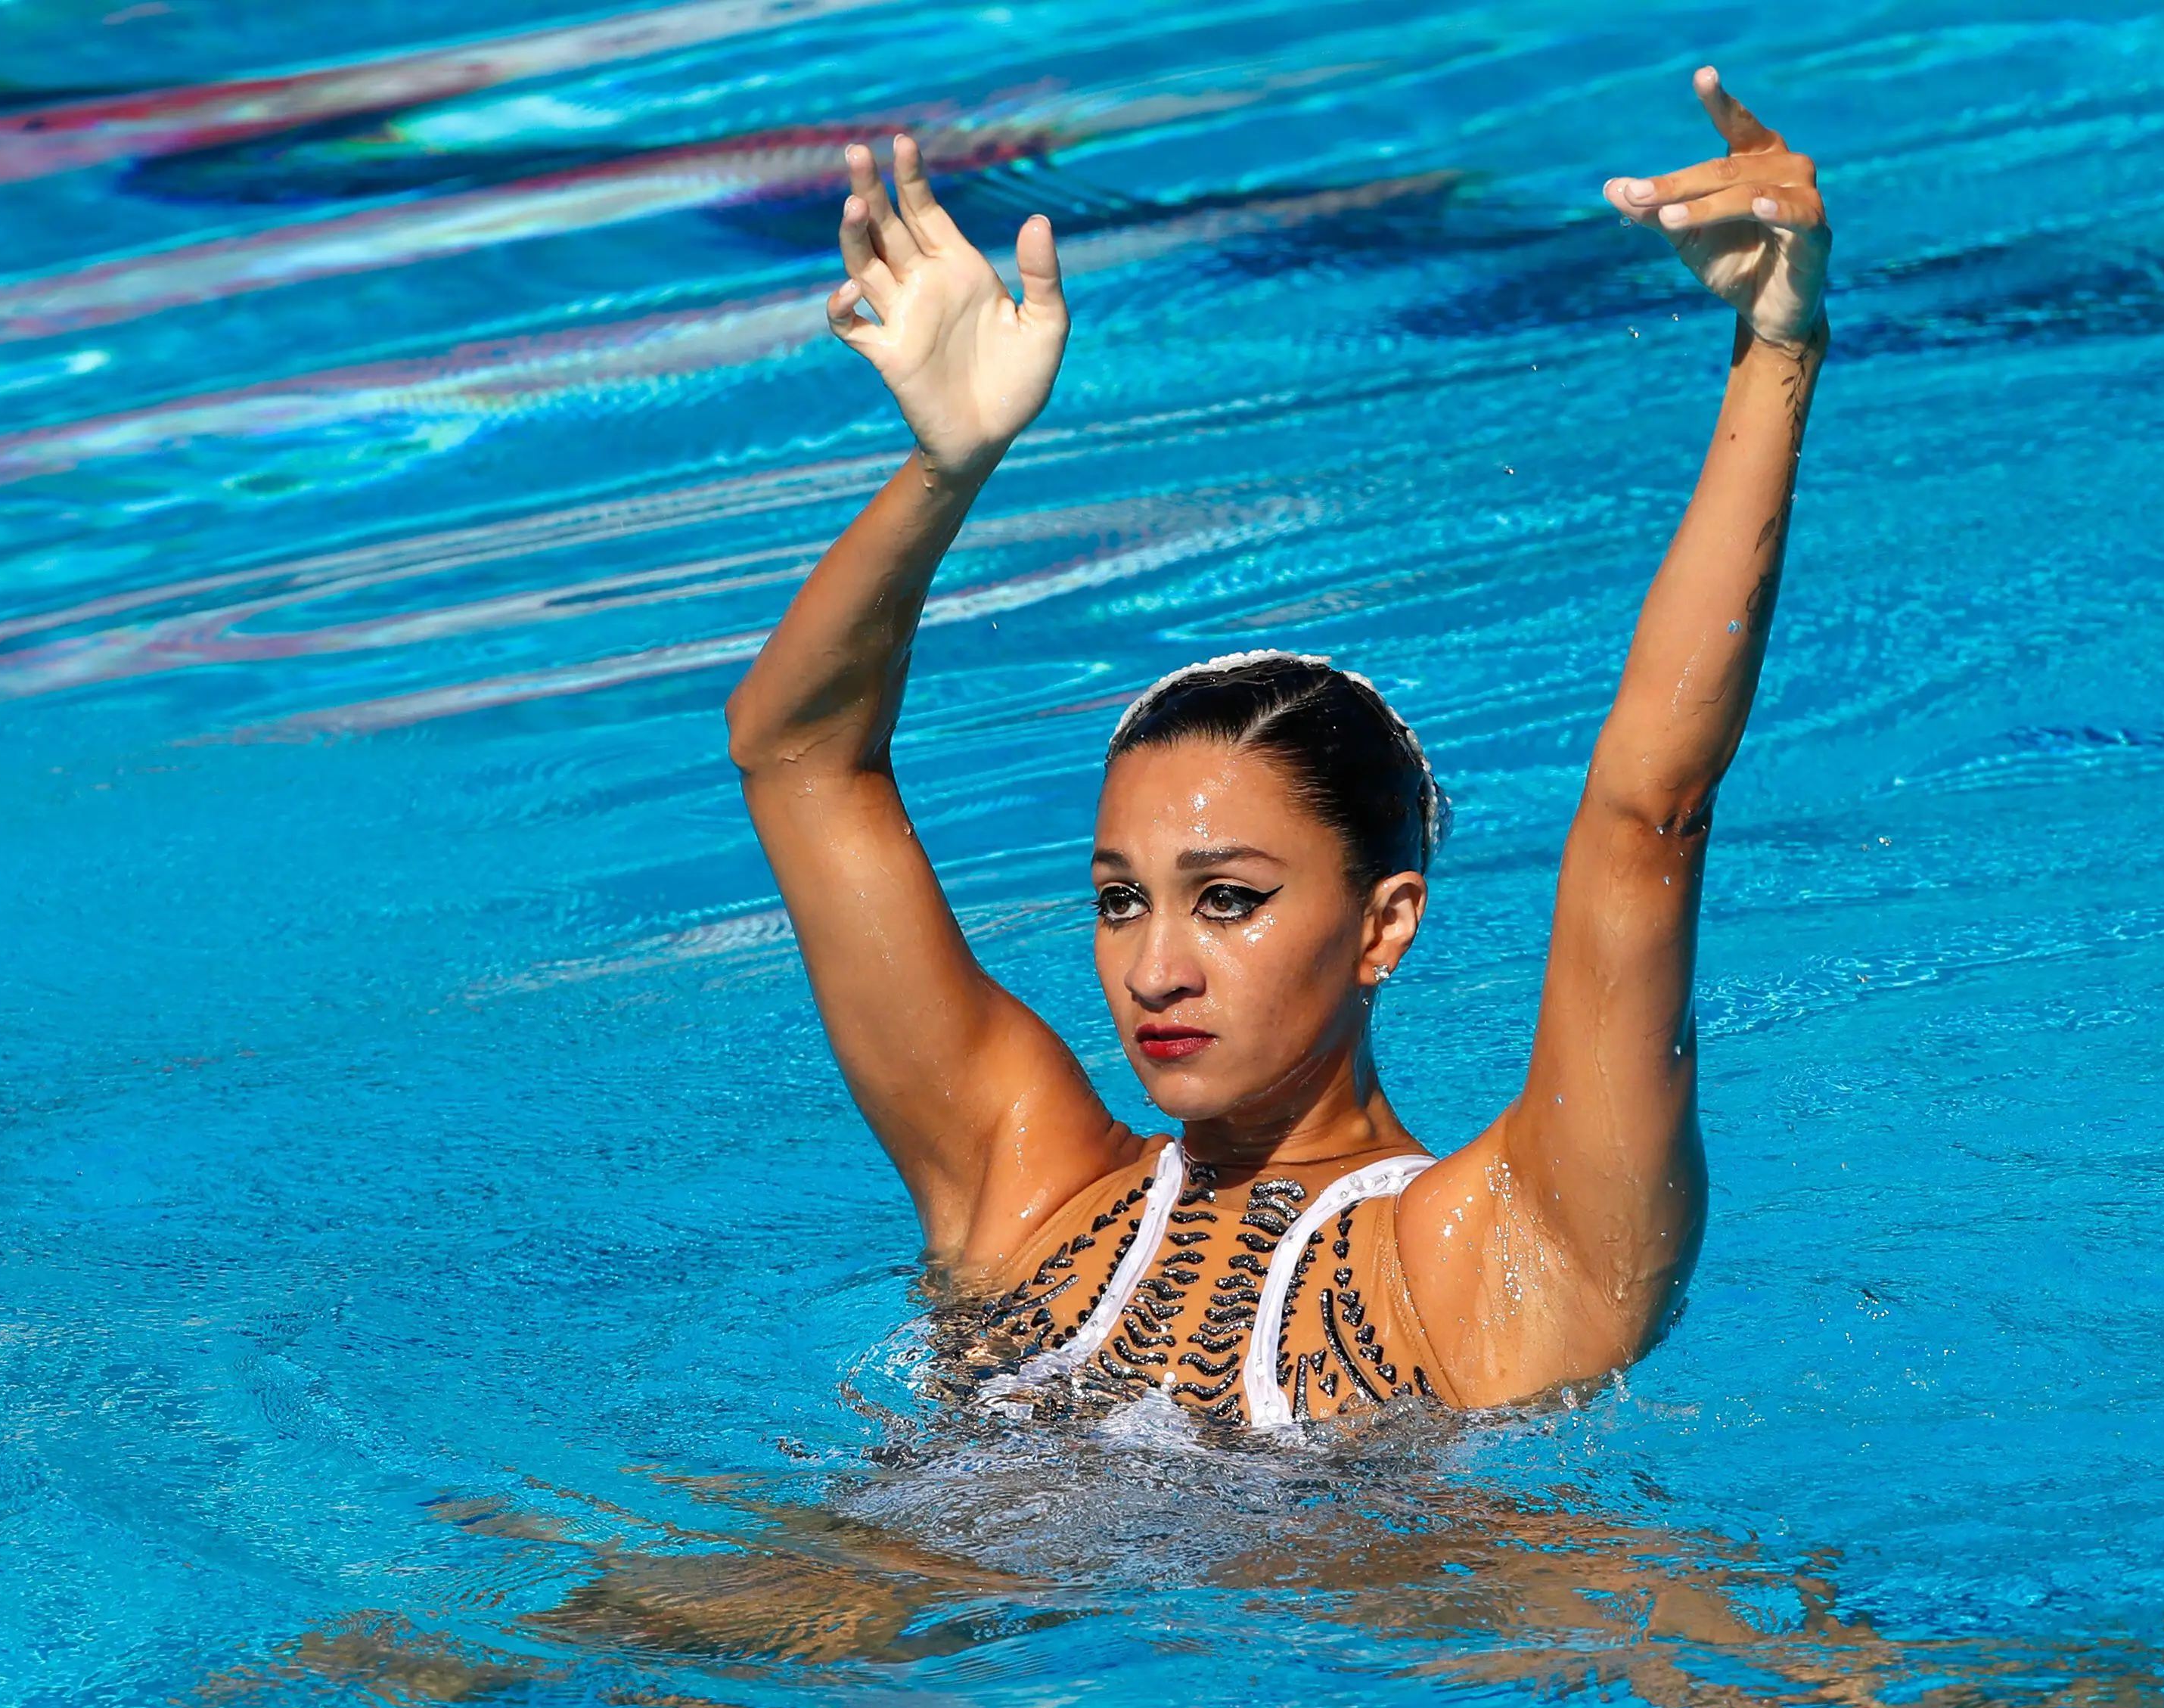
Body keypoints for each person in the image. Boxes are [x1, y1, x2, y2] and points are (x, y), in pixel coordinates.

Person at [725, 67, 1830, 1427]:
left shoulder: (1491, 1257)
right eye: (1120, 898)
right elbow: (797, 756)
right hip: (863, 1622)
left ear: (1385, 924)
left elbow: (1647, 812)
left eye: (1229, 897)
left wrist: (1779, 352)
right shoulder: (1020, 1174)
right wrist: (945, 469)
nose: (1155, 965)